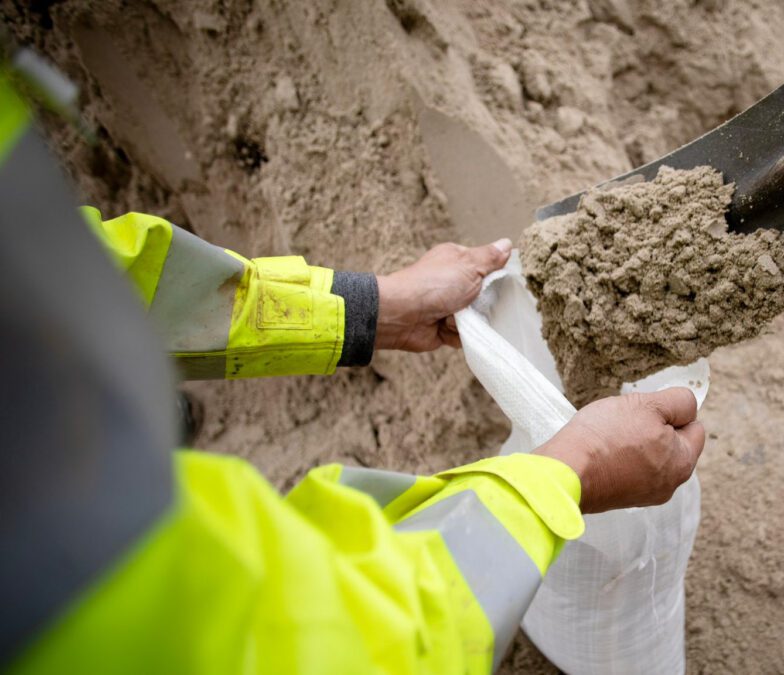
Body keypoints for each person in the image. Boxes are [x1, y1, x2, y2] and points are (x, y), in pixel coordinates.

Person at [0, 57, 705, 673]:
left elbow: (67, 281)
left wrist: (368, 307)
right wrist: (567, 473)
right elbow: (330, 646)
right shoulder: (61, 558)